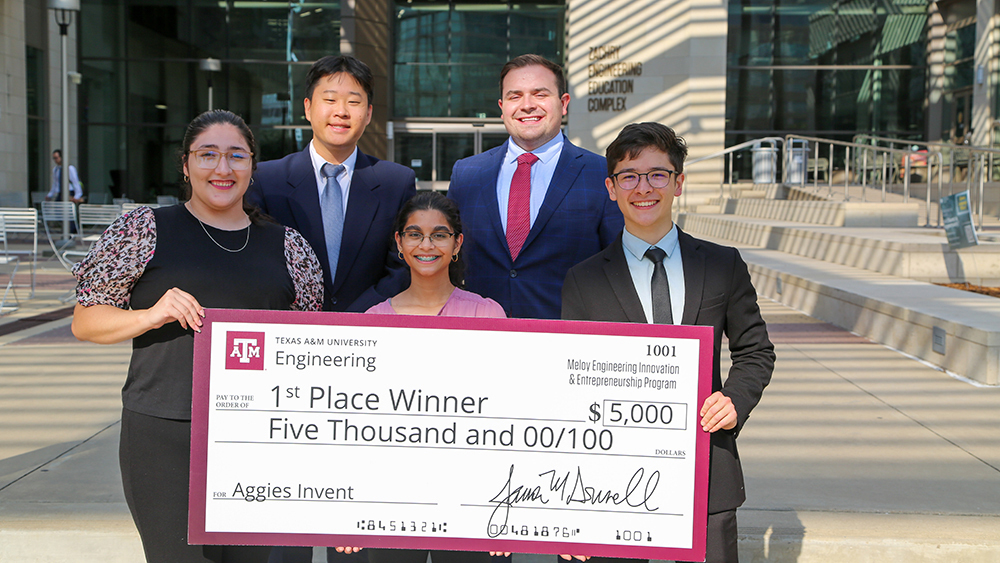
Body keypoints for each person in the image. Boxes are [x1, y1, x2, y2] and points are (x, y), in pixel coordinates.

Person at [71, 109, 324, 563]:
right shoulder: (144, 229)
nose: (222, 169)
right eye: (207, 155)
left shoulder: (289, 246)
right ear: (185, 165)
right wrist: (150, 315)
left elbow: (312, 341)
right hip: (164, 434)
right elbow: (85, 321)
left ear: (252, 167)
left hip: (257, 438)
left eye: (236, 156)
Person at [561, 123, 775, 563]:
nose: (644, 188)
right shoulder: (583, 279)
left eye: (658, 174)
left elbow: (756, 350)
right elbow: (572, 390)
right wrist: (571, 506)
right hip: (611, 484)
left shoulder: (721, 264)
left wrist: (734, 399)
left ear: (679, 183)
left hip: (706, 469)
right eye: (629, 176)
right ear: (611, 187)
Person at [365, 191, 502, 563]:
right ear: (399, 243)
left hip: (472, 501)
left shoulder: (487, 316)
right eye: (414, 234)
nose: (427, 245)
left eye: (440, 234)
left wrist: (504, 509)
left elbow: (505, 415)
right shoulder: (372, 321)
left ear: (457, 243)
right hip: (392, 499)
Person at [448, 54, 623, 320]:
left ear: (563, 104)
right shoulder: (467, 173)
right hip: (480, 337)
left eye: (540, 94)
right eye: (514, 96)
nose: (527, 105)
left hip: (567, 339)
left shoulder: (601, 173)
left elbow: (618, 264)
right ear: (502, 106)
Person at [250, 54, 416, 313]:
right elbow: (257, 261)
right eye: (329, 100)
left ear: (369, 112)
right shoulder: (267, 179)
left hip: (369, 330)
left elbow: (402, 265)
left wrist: (353, 317)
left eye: (353, 102)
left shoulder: (396, 183)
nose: (341, 111)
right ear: (307, 107)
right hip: (290, 330)